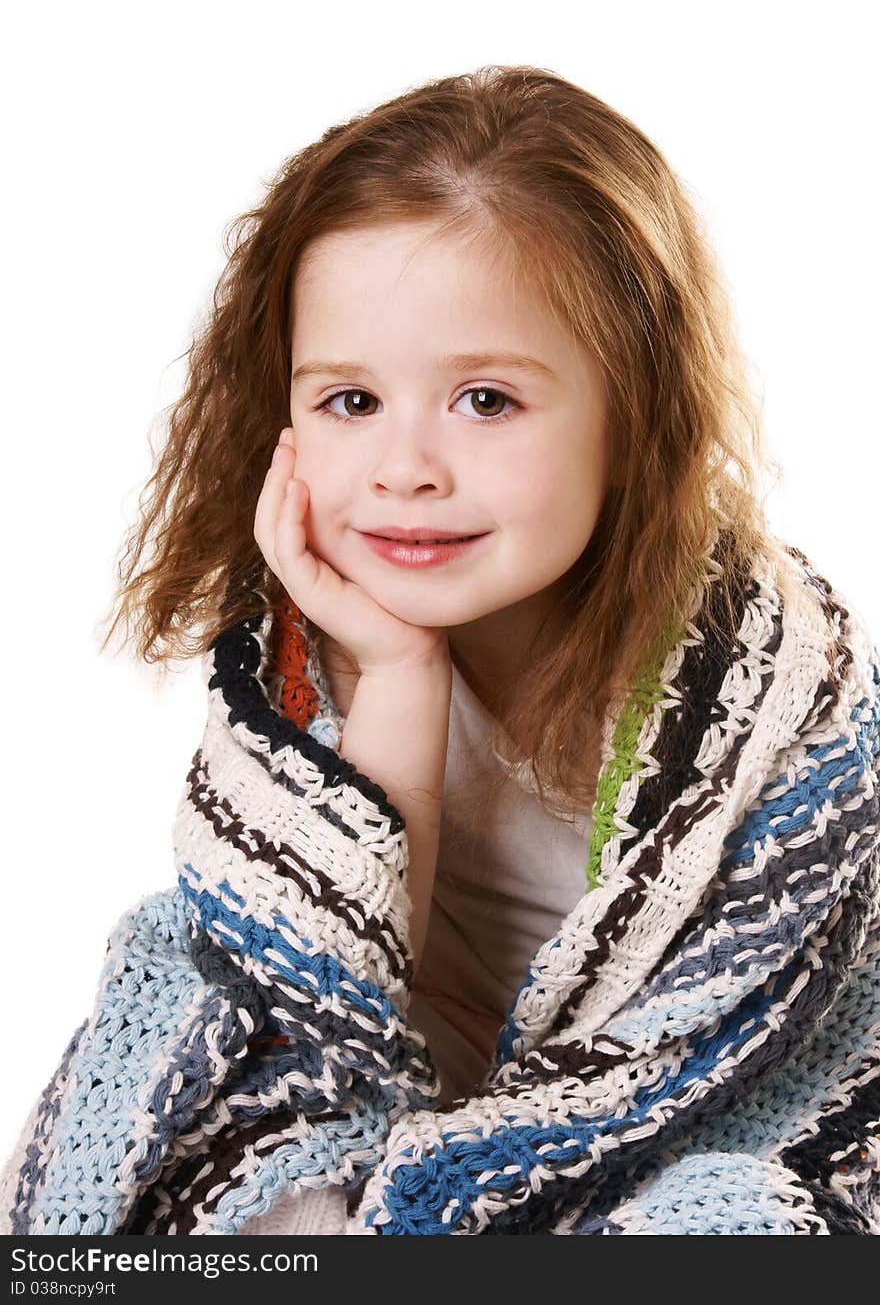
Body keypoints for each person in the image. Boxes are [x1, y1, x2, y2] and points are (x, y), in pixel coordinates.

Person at [2, 65, 878, 1237]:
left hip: (675, 1108)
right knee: (182, 1042)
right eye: (351, 402)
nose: (406, 468)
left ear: (632, 415)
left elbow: (767, 993)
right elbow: (336, 978)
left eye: (485, 401)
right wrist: (400, 672)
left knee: (733, 1220)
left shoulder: (750, 684)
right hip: (419, 1081)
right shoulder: (310, 654)